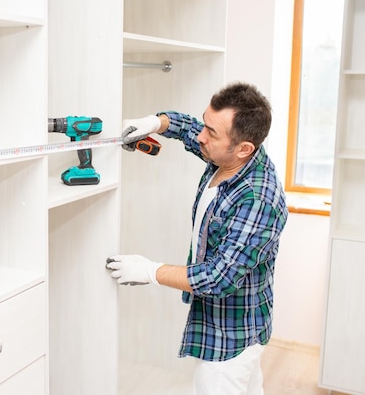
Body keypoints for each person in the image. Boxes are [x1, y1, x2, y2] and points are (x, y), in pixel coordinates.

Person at [106, 82, 288, 395]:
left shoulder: (258, 198)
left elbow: (219, 277)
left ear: (244, 148)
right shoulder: (232, 157)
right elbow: (190, 128)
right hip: (235, 324)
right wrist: (157, 122)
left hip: (231, 336)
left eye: (212, 133)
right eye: (206, 123)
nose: (201, 136)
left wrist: (150, 271)